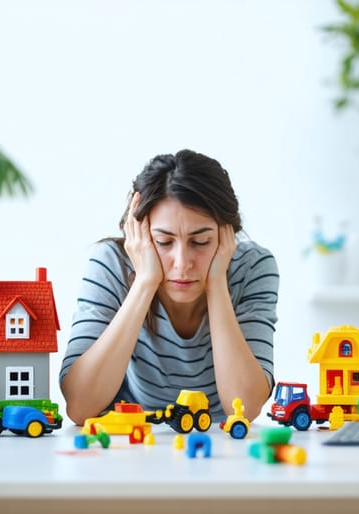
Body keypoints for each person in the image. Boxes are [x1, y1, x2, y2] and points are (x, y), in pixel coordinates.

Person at [59, 149, 279, 425]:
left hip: (220, 444)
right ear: (138, 234)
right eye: (163, 242)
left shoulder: (252, 267)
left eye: (200, 242)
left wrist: (217, 283)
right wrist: (144, 283)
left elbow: (244, 408)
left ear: (226, 236)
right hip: (134, 442)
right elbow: (80, 406)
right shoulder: (111, 263)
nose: (182, 263)